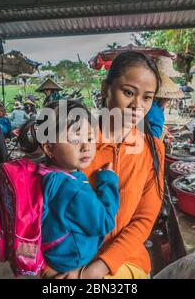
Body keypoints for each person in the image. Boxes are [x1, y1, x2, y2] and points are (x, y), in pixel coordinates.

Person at [43, 51, 165, 279]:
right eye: (128, 92)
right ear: (105, 89)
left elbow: (144, 219)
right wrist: (49, 271)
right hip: (66, 260)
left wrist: (97, 269)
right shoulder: (71, 143)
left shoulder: (153, 149)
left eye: (147, 97)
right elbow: (40, 213)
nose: (137, 105)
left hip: (125, 260)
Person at [18, 100, 119, 274]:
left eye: (89, 138)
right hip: (72, 257)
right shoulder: (72, 189)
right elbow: (105, 222)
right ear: (49, 148)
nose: (86, 147)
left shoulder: (43, 171)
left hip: (52, 249)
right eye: (74, 138)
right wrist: (108, 181)